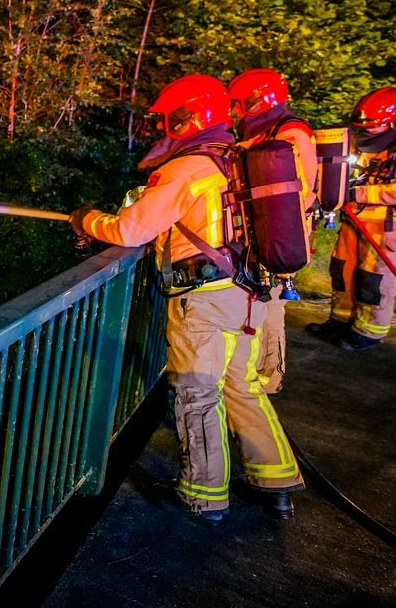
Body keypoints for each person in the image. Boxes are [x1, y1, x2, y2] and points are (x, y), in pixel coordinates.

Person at [71, 74, 304, 524]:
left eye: (167, 120)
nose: (163, 129)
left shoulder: (187, 168)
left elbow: (130, 229)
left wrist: (86, 220)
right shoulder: (236, 158)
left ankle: (204, 496)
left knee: (197, 394)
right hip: (248, 293)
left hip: (204, 302)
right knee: (244, 387)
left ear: (186, 118)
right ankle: (276, 483)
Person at [306, 87, 396, 352]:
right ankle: (340, 320)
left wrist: (357, 192)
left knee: (373, 281)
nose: (367, 131)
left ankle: (368, 332)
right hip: (355, 221)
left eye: (374, 126)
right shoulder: (370, 141)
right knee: (343, 271)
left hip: (389, 228)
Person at [228, 68, 317, 395]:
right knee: (259, 304)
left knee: (272, 308)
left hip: (278, 233)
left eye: (240, 103)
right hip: (262, 230)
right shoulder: (262, 129)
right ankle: (255, 373)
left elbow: (294, 191)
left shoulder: (290, 132)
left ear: (258, 100)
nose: (235, 111)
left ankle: (270, 377)